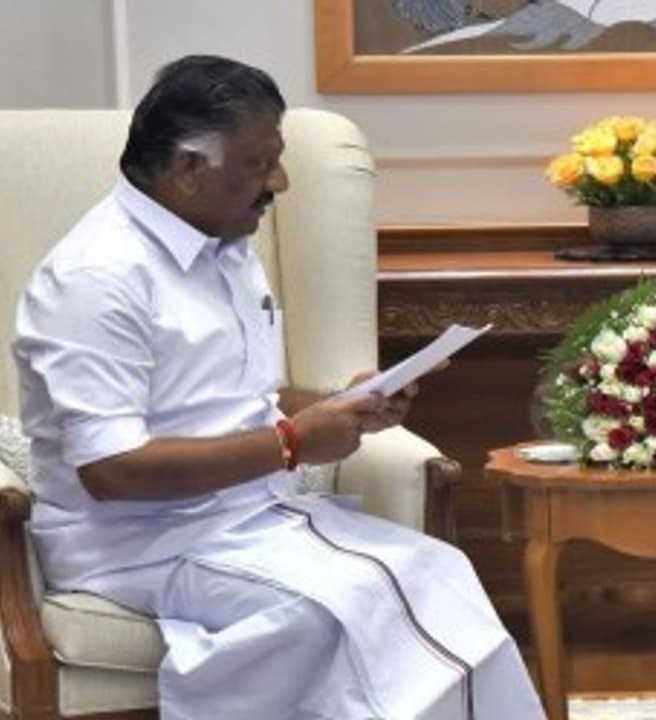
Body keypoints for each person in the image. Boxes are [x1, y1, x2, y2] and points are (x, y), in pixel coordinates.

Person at [12, 55, 545, 720]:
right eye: (260, 163)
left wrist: (341, 406)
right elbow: (111, 469)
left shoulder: (225, 247)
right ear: (188, 169)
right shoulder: (95, 279)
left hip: (248, 519)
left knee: (438, 571)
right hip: (140, 546)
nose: (280, 182)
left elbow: (241, 400)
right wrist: (293, 443)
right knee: (343, 608)